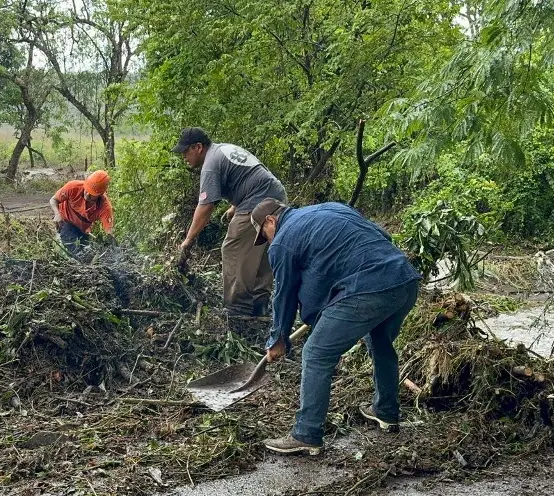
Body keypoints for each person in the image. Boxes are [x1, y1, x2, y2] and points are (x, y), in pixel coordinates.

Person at [252, 198, 422, 456]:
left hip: (368, 289)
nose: (269, 243)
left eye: (265, 235)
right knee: (380, 341)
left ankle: (307, 433)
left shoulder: (284, 241)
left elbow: (284, 294)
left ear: (270, 221)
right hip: (404, 280)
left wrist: (278, 339)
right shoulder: (330, 208)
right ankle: (386, 412)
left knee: (317, 354)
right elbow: (382, 236)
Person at [173, 128, 287, 317]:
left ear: (198, 147)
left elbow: (206, 207)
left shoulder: (210, 164)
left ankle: (237, 308)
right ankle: (260, 304)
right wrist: (235, 206)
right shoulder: (223, 150)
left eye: (186, 151)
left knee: (233, 248)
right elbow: (246, 175)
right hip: (276, 195)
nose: (184, 156)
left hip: (258, 201)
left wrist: (188, 240)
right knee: (260, 249)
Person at [49, 170, 115, 252]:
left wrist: (113, 245)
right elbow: (53, 200)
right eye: (87, 190)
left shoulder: (104, 207)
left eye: (92, 194)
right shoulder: (72, 187)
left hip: (82, 230)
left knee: (87, 251)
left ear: (100, 195)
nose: (87, 195)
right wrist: (57, 214)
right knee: (77, 251)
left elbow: (109, 231)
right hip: (65, 221)